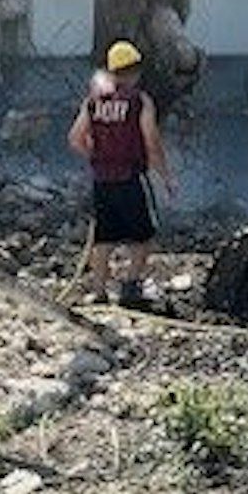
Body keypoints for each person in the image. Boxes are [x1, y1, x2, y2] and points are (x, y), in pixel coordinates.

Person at [68, 39, 176, 305]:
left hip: (102, 180)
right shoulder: (139, 101)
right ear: (134, 70)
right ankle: (130, 287)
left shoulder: (93, 101)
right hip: (130, 177)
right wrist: (166, 177)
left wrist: (97, 157)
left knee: (104, 238)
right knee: (143, 237)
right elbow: (151, 141)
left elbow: (75, 138)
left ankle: (98, 291)